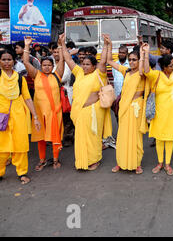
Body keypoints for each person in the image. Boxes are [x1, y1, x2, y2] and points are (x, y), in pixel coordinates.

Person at [61, 34, 112, 171]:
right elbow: (67, 59)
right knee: (81, 138)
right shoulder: (78, 72)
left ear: (94, 66)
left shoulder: (98, 73)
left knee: (93, 136)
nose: (84, 66)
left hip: (94, 111)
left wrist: (107, 45)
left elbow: (103, 62)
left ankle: (94, 159)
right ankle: (82, 160)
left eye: (88, 64)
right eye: (83, 64)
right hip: (79, 111)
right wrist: (62, 44)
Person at [142, 43, 173, 176]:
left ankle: (167, 164)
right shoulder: (156, 75)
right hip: (159, 113)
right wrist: (146, 53)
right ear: (164, 67)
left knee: (169, 139)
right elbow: (146, 71)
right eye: (171, 65)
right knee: (159, 139)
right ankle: (159, 163)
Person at [107, 38, 148, 175]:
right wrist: (110, 45)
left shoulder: (142, 74)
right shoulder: (126, 71)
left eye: (134, 60)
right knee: (123, 136)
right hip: (124, 108)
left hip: (136, 108)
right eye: (130, 59)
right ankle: (120, 162)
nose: (131, 62)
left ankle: (137, 163)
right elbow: (109, 61)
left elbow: (143, 69)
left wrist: (143, 53)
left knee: (135, 138)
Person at [23, 37, 65, 171]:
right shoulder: (36, 75)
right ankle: (42, 160)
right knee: (40, 137)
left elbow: (62, 60)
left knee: (55, 136)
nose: (47, 67)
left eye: (49, 65)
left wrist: (60, 46)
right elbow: (25, 61)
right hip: (39, 113)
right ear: (41, 66)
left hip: (54, 112)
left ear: (53, 66)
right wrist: (26, 46)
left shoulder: (57, 75)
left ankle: (55, 159)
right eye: (44, 65)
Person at [0, 48, 41, 184]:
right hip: (1, 117)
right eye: (4, 59)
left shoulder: (19, 78)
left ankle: (22, 172)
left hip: (19, 115)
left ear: (14, 61)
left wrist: (35, 117)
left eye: (9, 59)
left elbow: (28, 98)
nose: (6, 62)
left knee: (20, 145)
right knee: (1, 146)